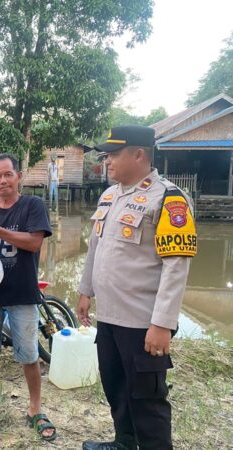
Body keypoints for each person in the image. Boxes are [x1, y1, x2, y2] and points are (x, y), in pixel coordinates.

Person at [77, 125, 197, 450]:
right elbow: (95, 247)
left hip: (143, 322)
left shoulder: (169, 198)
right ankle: (124, 442)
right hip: (110, 317)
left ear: (139, 154)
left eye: (113, 154)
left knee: (148, 399)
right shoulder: (109, 195)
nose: (107, 161)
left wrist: (162, 323)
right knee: (116, 387)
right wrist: (85, 290)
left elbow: (176, 266)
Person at [0, 153, 55, 441]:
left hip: (23, 294)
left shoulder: (32, 206)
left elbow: (34, 243)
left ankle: (35, 408)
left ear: (18, 176)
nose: (3, 180)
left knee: (29, 355)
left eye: (8, 174)